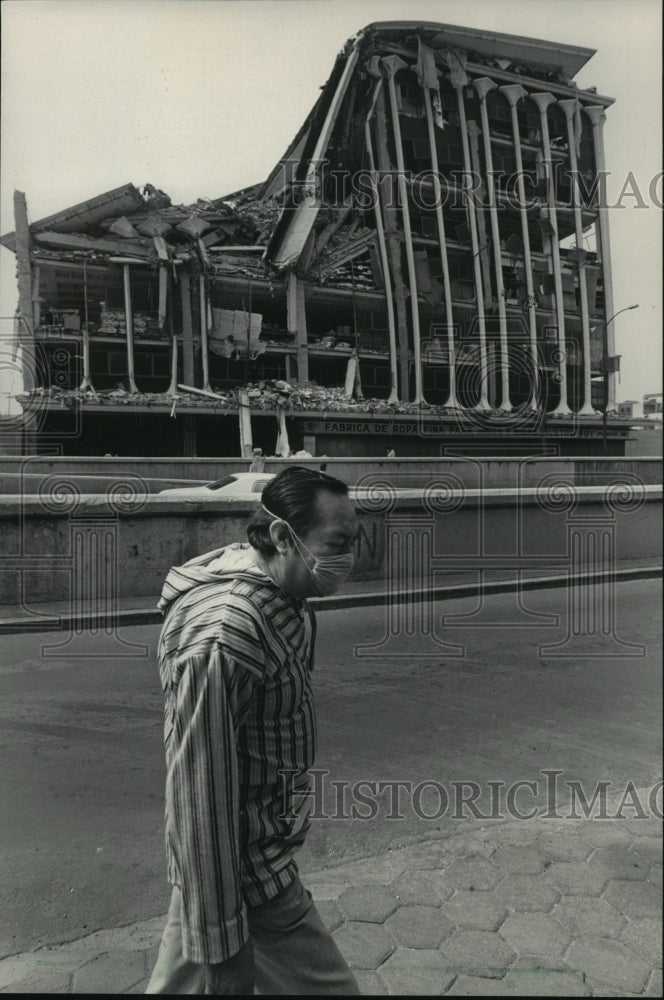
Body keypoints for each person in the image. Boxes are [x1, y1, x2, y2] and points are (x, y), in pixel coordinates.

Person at [146, 466, 360, 995]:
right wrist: (220, 940)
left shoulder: (279, 594)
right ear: (284, 537)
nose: (350, 558)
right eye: (338, 543)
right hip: (247, 871)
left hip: (225, 865)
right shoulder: (229, 633)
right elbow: (200, 793)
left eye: (355, 542)